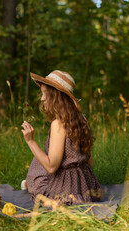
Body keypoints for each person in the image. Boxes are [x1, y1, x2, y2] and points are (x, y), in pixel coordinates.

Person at [21, 70, 103, 205]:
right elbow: (91, 163)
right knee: (44, 160)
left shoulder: (58, 124)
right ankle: (28, 182)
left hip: (64, 189)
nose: (42, 98)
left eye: (45, 94)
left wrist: (30, 141)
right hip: (86, 186)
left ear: (57, 97)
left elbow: (52, 167)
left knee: (38, 160)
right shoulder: (81, 119)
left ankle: (29, 184)